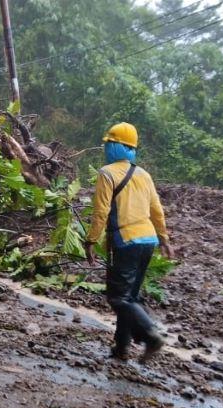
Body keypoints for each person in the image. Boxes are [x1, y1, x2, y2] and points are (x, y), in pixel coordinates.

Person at [83, 122, 175, 363]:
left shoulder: (107, 173)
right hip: (148, 241)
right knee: (129, 297)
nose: (106, 148)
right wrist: (164, 239)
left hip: (125, 241)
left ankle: (151, 336)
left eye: (109, 144)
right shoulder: (144, 175)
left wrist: (91, 240)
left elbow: (101, 212)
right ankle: (122, 348)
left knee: (118, 298)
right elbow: (157, 210)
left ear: (117, 146)